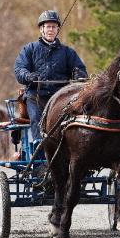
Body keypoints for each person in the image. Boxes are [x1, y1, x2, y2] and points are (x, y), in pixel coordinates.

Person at [14, 10, 88, 148]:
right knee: (36, 117)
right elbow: (19, 69)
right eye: (48, 26)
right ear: (42, 29)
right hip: (36, 95)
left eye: (54, 27)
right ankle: (38, 144)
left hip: (61, 97)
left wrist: (79, 75)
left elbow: (80, 69)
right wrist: (29, 76)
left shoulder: (68, 52)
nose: (51, 30)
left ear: (58, 29)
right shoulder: (29, 49)